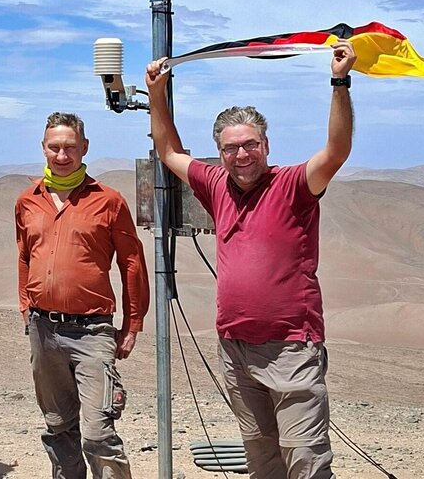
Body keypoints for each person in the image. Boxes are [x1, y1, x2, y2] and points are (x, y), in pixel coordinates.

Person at [145, 41, 357, 479]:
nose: (241, 155)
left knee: (305, 461)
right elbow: (168, 153)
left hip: (291, 348)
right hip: (236, 349)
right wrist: (156, 94)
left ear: (266, 145)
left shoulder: (294, 185)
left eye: (250, 145)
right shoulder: (215, 184)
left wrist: (339, 82)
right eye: (231, 148)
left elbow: (336, 151)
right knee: (262, 460)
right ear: (220, 153)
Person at [15, 112, 150, 479]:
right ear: (44, 148)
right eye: (55, 147)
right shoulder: (27, 201)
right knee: (58, 427)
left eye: (70, 147)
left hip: (92, 331)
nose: (62, 155)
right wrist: (26, 307)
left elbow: (132, 262)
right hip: (44, 330)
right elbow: (25, 257)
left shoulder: (109, 201)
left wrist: (132, 325)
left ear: (84, 147)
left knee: (98, 433)